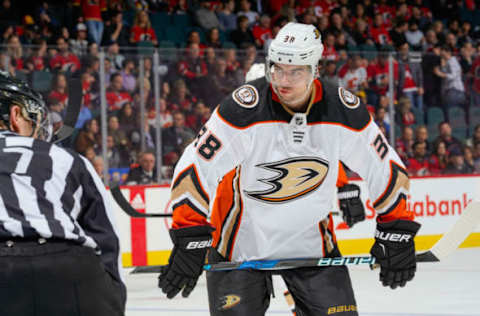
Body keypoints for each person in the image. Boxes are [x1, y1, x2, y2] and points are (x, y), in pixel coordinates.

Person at [158, 22, 421, 315]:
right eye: (278, 68)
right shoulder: (244, 109)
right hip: (240, 247)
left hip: (311, 247)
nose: (283, 80)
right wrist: (190, 232)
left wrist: (395, 228)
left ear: (315, 69)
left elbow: (384, 166)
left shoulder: (342, 110)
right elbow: (195, 164)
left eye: (295, 71)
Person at [0, 73, 125, 315]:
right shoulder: (67, 159)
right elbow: (107, 239)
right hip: (71, 271)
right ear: (15, 116)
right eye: (31, 118)